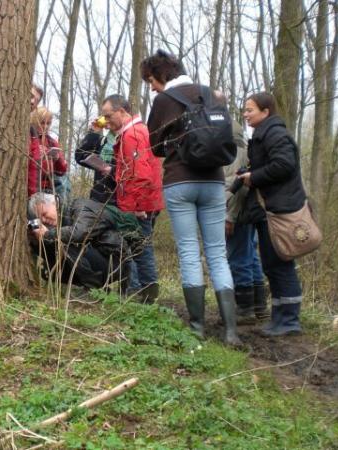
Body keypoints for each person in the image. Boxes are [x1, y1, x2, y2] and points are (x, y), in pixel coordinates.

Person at [140, 50, 240, 345]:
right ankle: (230, 331)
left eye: (151, 81)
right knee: (217, 253)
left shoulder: (164, 101)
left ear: (160, 75)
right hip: (214, 182)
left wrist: (173, 144)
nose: (152, 88)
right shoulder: (210, 94)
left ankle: (197, 328)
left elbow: (154, 145)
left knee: (188, 251)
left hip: (180, 181)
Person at [238, 92, 306, 336]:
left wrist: (254, 177)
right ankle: (279, 318)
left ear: (265, 111)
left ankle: (289, 320)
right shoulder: (262, 134)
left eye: (250, 110)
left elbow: (284, 165)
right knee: (271, 263)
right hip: (268, 209)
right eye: (245, 110)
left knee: (280, 262)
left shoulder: (275, 134)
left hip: (280, 209)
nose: (245, 114)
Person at [100, 94, 164, 302]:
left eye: (108, 116)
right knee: (136, 248)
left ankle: (144, 297)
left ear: (121, 111)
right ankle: (138, 293)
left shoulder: (132, 135)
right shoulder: (136, 131)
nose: (106, 121)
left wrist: (137, 206)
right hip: (141, 201)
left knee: (140, 249)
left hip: (139, 205)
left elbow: (140, 174)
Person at [28, 193, 139, 289]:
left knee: (68, 243)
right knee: (48, 258)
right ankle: (95, 288)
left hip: (115, 261)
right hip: (99, 258)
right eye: (41, 219)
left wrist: (47, 234)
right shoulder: (61, 219)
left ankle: (93, 288)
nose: (44, 220)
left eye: (44, 214)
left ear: (54, 203)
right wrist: (34, 231)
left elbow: (79, 233)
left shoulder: (82, 207)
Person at [224, 118, 268, 323]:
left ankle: (245, 309)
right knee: (250, 255)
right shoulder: (245, 150)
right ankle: (259, 306)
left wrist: (229, 216)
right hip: (247, 211)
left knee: (238, 256)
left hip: (238, 213)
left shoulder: (232, 154)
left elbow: (236, 186)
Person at [75, 119, 118, 206]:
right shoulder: (103, 142)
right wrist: (93, 132)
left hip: (118, 201)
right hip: (98, 199)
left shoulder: (128, 141)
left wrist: (111, 170)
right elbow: (80, 155)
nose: (107, 120)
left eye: (109, 117)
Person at [30, 107, 68, 200]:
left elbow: (62, 170)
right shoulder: (28, 138)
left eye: (48, 123)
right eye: (42, 123)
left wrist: (57, 158)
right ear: (35, 121)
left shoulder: (52, 142)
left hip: (48, 190)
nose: (46, 126)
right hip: (29, 188)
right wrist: (36, 153)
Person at [27, 83, 43, 197]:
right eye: (31, 96)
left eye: (36, 101)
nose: (32, 102)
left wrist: (33, 195)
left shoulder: (32, 133)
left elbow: (34, 168)